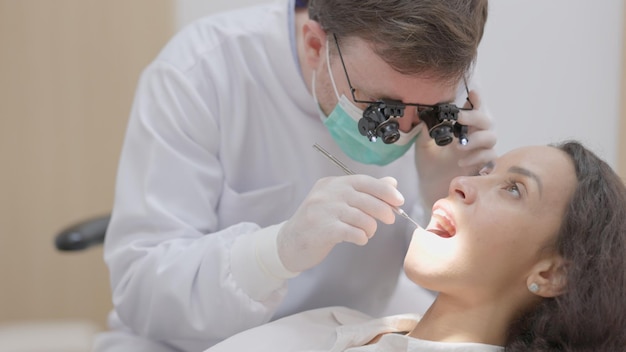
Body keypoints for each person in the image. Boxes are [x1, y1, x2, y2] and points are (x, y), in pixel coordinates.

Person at [95, 0, 497, 351]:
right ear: (315, 45)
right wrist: (273, 253)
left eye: (430, 112)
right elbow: (140, 290)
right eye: (382, 109)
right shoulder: (201, 72)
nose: (406, 130)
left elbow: (464, 302)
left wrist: (440, 199)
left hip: (349, 337)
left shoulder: (435, 77)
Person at [204, 140, 626, 352]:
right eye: (486, 170)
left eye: (513, 189)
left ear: (551, 274)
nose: (462, 183)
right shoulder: (343, 324)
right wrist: (274, 253)